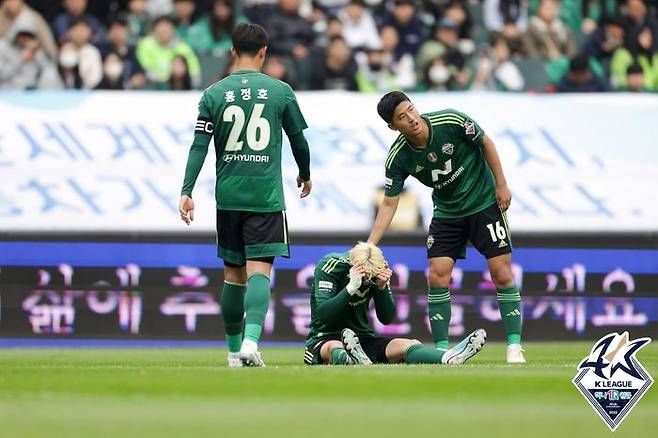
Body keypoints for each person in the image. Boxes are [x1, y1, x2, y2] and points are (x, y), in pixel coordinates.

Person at [179, 23, 312, 367]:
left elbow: (199, 146)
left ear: (233, 52)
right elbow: (299, 140)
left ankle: (232, 352)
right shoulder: (280, 91)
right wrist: (305, 174)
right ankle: (251, 343)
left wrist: (187, 190)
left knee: (232, 276)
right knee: (258, 273)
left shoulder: (213, 94)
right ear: (264, 51)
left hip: (229, 197)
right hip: (265, 197)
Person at [368, 91, 526, 364]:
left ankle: (514, 346)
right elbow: (389, 203)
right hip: (447, 213)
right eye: (402, 118)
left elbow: (486, 142)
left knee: (501, 273)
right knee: (437, 275)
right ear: (393, 126)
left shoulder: (450, 121)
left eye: (411, 110)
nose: (412, 119)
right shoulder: (398, 157)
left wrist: (501, 184)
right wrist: (371, 243)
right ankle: (442, 349)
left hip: (484, 203)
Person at [304, 242, 487, 366]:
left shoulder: (378, 267)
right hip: (324, 337)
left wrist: (382, 288)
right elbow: (324, 315)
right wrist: (351, 287)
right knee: (333, 346)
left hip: (361, 339)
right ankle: (351, 359)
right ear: (354, 264)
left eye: (372, 277)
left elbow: (386, 318)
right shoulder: (330, 266)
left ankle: (448, 357)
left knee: (407, 344)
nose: (369, 279)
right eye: (366, 276)